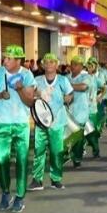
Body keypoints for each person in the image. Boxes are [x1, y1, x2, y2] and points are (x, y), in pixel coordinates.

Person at [0, 45, 36, 213]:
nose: (4, 60)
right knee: (2, 160)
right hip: (2, 123)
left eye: (8, 58)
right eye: (4, 57)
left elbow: (30, 102)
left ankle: (20, 197)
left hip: (21, 123)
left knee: (21, 160)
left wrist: (19, 89)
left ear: (18, 60)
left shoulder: (27, 75)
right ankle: (6, 193)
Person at [28, 53, 73, 191]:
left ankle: (56, 179)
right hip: (41, 121)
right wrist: (36, 94)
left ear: (56, 65)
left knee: (56, 152)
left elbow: (70, 94)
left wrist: (68, 98)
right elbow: (31, 94)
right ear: (42, 65)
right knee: (39, 150)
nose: (49, 65)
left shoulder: (63, 80)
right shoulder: (37, 80)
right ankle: (37, 180)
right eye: (46, 62)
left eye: (52, 62)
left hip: (57, 122)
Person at [66, 56, 91, 168]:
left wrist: (68, 87)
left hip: (81, 111)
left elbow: (83, 87)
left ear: (81, 66)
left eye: (76, 64)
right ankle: (66, 154)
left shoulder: (85, 76)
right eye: (72, 64)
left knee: (79, 135)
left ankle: (77, 157)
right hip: (67, 111)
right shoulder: (66, 77)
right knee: (66, 134)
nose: (73, 66)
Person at [85, 57, 105, 158]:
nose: (89, 67)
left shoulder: (96, 79)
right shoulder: (82, 77)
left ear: (95, 67)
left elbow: (104, 88)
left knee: (92, 131)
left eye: (91, 66)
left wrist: (100, 96)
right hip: (81, 109)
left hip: (93, 108)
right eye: (88, 65)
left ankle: (95, 149)